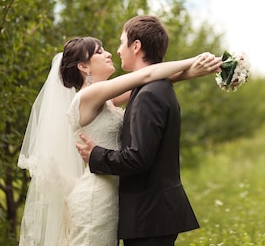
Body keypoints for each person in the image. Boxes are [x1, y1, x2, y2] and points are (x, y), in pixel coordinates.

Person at [18, 34, 221, 246]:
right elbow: (147, 74)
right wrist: (195, 59)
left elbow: (154, 79)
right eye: (98, 51)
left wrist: (193, 72)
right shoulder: (88, 96)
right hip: (96, 199)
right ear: (84, 67)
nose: (108, 53)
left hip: (112, 197)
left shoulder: (106, 99)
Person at [76, 15, 204, 246]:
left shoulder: (148, 94)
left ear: (136, 46)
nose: (115, 51)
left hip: (148, 214)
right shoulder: (149, 89)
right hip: (136, 209)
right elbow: (147, 76)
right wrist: (190, 70)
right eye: (100, 51)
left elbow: (137, 157)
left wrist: (96, 154)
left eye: (120, 42)